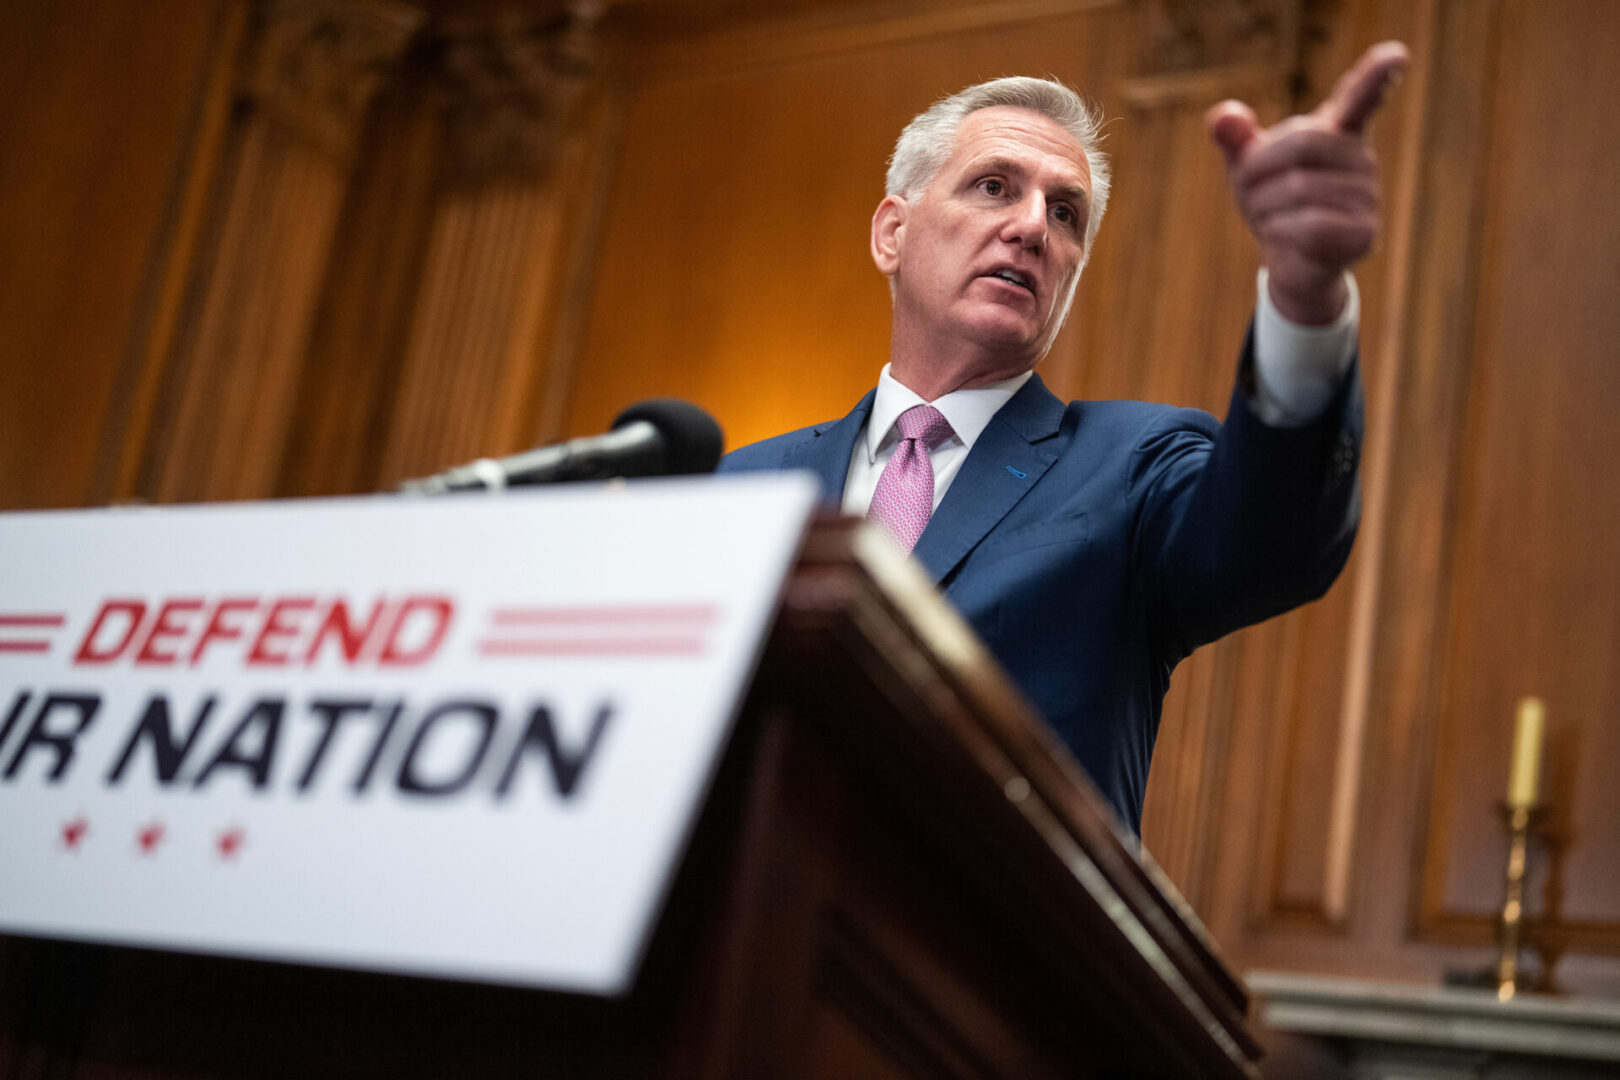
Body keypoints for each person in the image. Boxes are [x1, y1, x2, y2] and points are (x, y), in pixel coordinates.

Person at [718, 43, 1409, 834]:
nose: (1030, 227)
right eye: (993, 187)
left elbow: (1273, 540)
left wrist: (1305, 295)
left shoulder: (1131, 465)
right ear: (892, 234)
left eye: (1065, 212)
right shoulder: (741, 487)